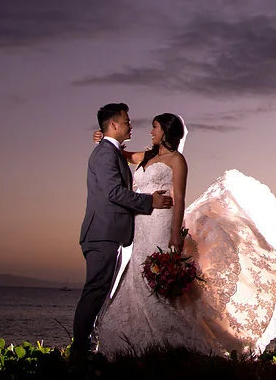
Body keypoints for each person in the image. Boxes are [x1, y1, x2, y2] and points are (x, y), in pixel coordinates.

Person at [93, 112, 276, 359]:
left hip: (161, 221)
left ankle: (171, 342)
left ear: (167, 131)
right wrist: (103, 139)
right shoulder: (146, 155)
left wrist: (175, 234)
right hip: (141, 222)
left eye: (155, 127)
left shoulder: (177, 160)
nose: (151, 132)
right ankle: (135, 342)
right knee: (136, 274)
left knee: (155, 279)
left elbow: (179, 198)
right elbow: (121, 154)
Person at [70, 103, 173, 365]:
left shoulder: (110, 151)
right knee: (95, 291)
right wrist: (150, 202)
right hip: (102, 233)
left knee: (101, 291)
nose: (131, 125)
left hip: (110, 233)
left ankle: (86, 348)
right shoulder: (105, 154)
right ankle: (80, 353)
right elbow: (114, 193)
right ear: (114, 125)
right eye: (127, 121)